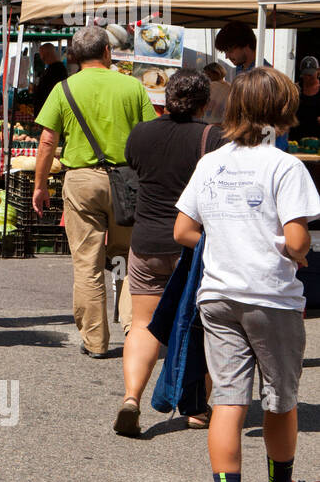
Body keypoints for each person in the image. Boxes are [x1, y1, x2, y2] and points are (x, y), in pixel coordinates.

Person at [174, 67, 320, 482]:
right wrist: (293, 252)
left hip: (217, 296)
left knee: (229, 403)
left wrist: (226, 244)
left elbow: (183, 231)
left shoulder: (211, 162)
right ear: (282, 111)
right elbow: (298, 240)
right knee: (280, 398)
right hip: (270, 298)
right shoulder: (285, 165)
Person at [33, 25, 156, 358]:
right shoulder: (132, 87)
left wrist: (40, 185)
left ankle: (96, 341)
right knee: (129, 259)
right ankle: (135, 330)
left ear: (73, 56)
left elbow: (47, 141)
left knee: (86, 262)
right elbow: (149, 137)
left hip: (83, 181)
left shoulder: (64, 88)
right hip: (128, 181)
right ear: (107, 52)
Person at [112, 69, 222, 437]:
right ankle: (196, 408)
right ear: (205, 103)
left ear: (165, 98)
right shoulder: (213, 138)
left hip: (146, 242)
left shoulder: (140, 134)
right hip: (194, 245)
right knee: (202, 326)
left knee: (143, 324)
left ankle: (131, 397)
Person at [32, 43, 68, 117]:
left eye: (41, 54)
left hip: (50, 113)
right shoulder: (53, 68)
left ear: (46, 54)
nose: (41, 58)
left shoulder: (58, 69)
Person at [292, 56, 320, 140]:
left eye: (311, 75)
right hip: (296, 137)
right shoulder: (295, 89)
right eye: (305, 74)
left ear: (318, 71)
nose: (307, 77)